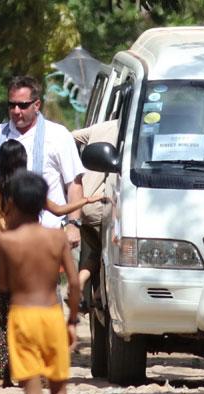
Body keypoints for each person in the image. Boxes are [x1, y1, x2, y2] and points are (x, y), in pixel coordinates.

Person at [0, 75, 86, 383]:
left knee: (44, 303)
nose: (16, 112)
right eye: (11, 105)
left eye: (22, 105)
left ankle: (41, 365)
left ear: (37, 104)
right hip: (8, 244)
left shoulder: (58, 136)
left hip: (45, 239)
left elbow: (74, 185)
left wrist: (73, 225)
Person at [0, 140, 102, 388]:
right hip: (27, 251)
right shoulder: (27, 191)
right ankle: (35, 370)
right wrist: (86, 201)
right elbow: (59, 210)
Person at [0, 172, 82, 394]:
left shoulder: (5, 240)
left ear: (14, 202)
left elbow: (4, 284)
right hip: (51, 316)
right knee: (59, 392)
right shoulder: (57, 237)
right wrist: (72, 320)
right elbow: (73, 283)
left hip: (22, 317)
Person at [71, 120, 118, 306]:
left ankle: (78, 284)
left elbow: (69, 136)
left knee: (96, 251)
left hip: (82, 200)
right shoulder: (130, 128)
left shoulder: (101, 127)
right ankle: (99, 292)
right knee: (110, 252)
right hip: (100, 204)